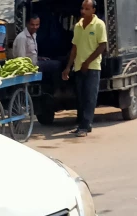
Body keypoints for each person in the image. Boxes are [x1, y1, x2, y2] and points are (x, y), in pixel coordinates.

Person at [62, 0, 107, 137]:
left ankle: (85, 125)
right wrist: (68, 67)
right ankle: (84, 125)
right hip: (78, 67)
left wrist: (87, 62)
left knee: (90, 97)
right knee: (80, 97)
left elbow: (102, 46)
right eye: (82, 8)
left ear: (93, 10)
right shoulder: (78, 26)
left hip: (92, 67)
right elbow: (74, 48)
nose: (83, 11)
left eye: (87, 9)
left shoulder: (99, 24)